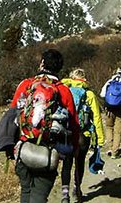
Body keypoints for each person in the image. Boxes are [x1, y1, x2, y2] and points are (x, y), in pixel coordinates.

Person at [10, 49, 80, 203]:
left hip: (23, 148)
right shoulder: (64, 91)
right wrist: (74, 149)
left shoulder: (26, 85)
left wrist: (10, 147)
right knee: (39, 197)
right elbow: (74, 125)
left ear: (42, 63)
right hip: (47, 154)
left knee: (26, 192)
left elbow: (12, 115)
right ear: (59, 68)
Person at [60, 69, 105, 203]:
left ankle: (65, 194)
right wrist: (100, 138)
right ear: (84, 79)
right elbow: (96, 117)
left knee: (67, 163)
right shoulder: (89, 94)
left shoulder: (64, 91)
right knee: (79, 162)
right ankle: (77, 189)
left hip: (67, 133)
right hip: (83, 134)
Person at [99, 68, 121, 158]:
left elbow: (102, 94)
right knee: (118, 131)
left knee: (109, 127)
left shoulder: (109, 82)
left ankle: (109, 147)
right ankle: (115, 152)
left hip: (109, 109)